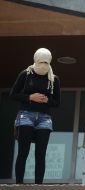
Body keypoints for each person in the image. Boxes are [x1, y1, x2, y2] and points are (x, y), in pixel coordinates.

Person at [10, 48, 60, 184]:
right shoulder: (25, 74)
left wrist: (47, 100)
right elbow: (13, 94)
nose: (43, 64)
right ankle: (19, 184)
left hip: (44, 118)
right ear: (35, 60)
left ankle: (39, 185)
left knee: (40, 153)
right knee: (23, 151)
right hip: (26, 114)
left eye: (45, 61)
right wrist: (30, 97)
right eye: (41, 61)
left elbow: (57, 102)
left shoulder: (53, 78)